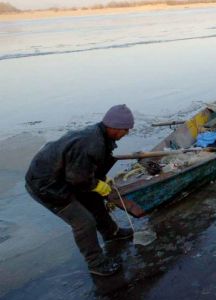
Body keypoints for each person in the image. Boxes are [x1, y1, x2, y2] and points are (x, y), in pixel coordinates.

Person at [25, 104, 136, 276]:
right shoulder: (91, 143)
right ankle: (96, 263)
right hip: (47, 186)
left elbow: (85, 169)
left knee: (95, 202)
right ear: (114, 127)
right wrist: (98, 185)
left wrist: (100, 181)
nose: (127, 133)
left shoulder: (101, 136)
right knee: (84, 222)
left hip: (64, 176)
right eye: (125, 129)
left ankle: (111, 234)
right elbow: (78, 179)